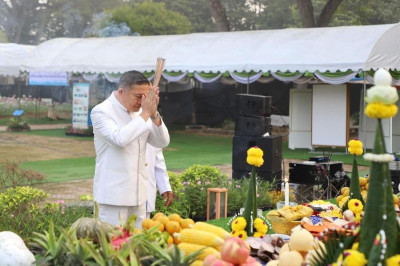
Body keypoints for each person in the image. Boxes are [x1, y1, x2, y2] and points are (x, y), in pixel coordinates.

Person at [90, 70, 170, 229]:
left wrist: (154, 114)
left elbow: (162, 141)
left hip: (140, 196)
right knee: (111, 246)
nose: (141, 102)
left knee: (139, 247)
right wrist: (146, 113)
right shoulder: (101, 111)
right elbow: (119, 139)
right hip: (113, 198)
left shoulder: (142, 113)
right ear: (121, 92)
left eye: (145, 97)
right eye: (138, 96)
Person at [145, 144, 174, 219]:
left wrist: (165, 187)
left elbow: (158, 161)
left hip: (146, 192)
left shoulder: (152, 133)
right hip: (122, 194)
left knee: (143, 227)